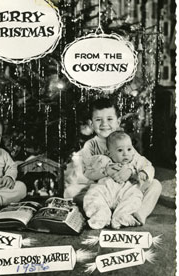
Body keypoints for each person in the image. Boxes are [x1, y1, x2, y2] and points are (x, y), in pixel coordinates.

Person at [64, 97, 162, 225]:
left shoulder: (124, 142)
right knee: (73, 192)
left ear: (118, 122)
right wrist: (106, 171)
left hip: (126, 191)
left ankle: (138, 213)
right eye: (99, 120)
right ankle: (102, 212)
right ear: (91, 124)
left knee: (155, 185)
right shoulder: (90, 145)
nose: (104, 124)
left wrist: (132, 173)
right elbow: (87, 172)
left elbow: (140, 163)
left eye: (110, 119)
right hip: (101, 189)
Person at [83, 131, 154, 229]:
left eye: (129, 149)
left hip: (126, 191)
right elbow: (89, 172)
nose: (126, 154)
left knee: (135, 197)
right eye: (120, 150)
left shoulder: (135, 160)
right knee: (93, 194)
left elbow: (148, 166)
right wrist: (105, 170)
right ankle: (100, 215)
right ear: (109, 152)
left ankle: (121, 216)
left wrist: (143, 172)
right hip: (106, 191)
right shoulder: (103, 159)